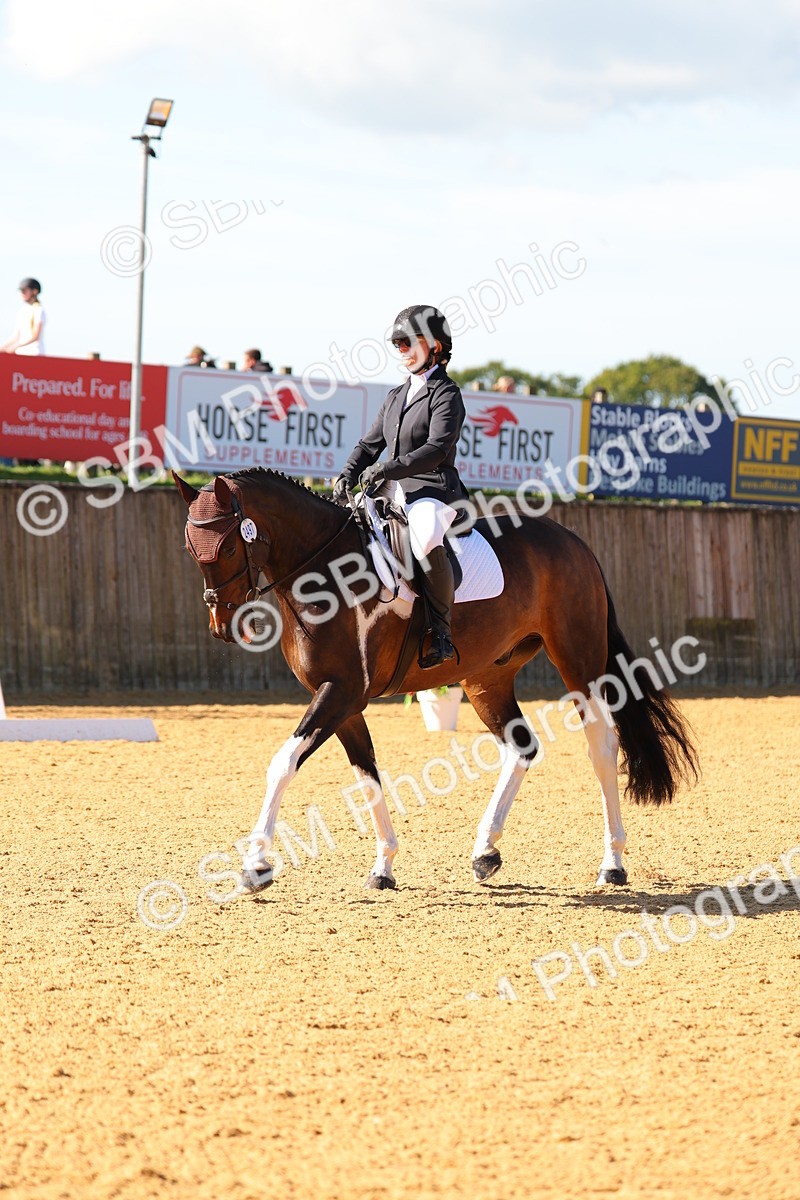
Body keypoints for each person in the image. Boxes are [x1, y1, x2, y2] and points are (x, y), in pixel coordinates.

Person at [333, 304, 468, 669]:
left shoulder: (446, 394)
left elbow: (437, 449)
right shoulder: (395, 396)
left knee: (424, 537)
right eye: (398, 343)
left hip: (433, 489)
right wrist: (348, 473)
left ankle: (441, 632)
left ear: (436, 346)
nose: (402, 350)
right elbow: (369, 444)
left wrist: (388, 468)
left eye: (409, 342)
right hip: (392, 490)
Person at [1, 278, 45, 355]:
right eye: (21, 291)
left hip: (34, 354)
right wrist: (3, 347)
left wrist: (16, 346)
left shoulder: (38, 310)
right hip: (20, 353)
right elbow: (15, 336)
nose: (22, 294)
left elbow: (35, 336)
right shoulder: (21, 311)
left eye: (25, 291)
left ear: (35, 291)